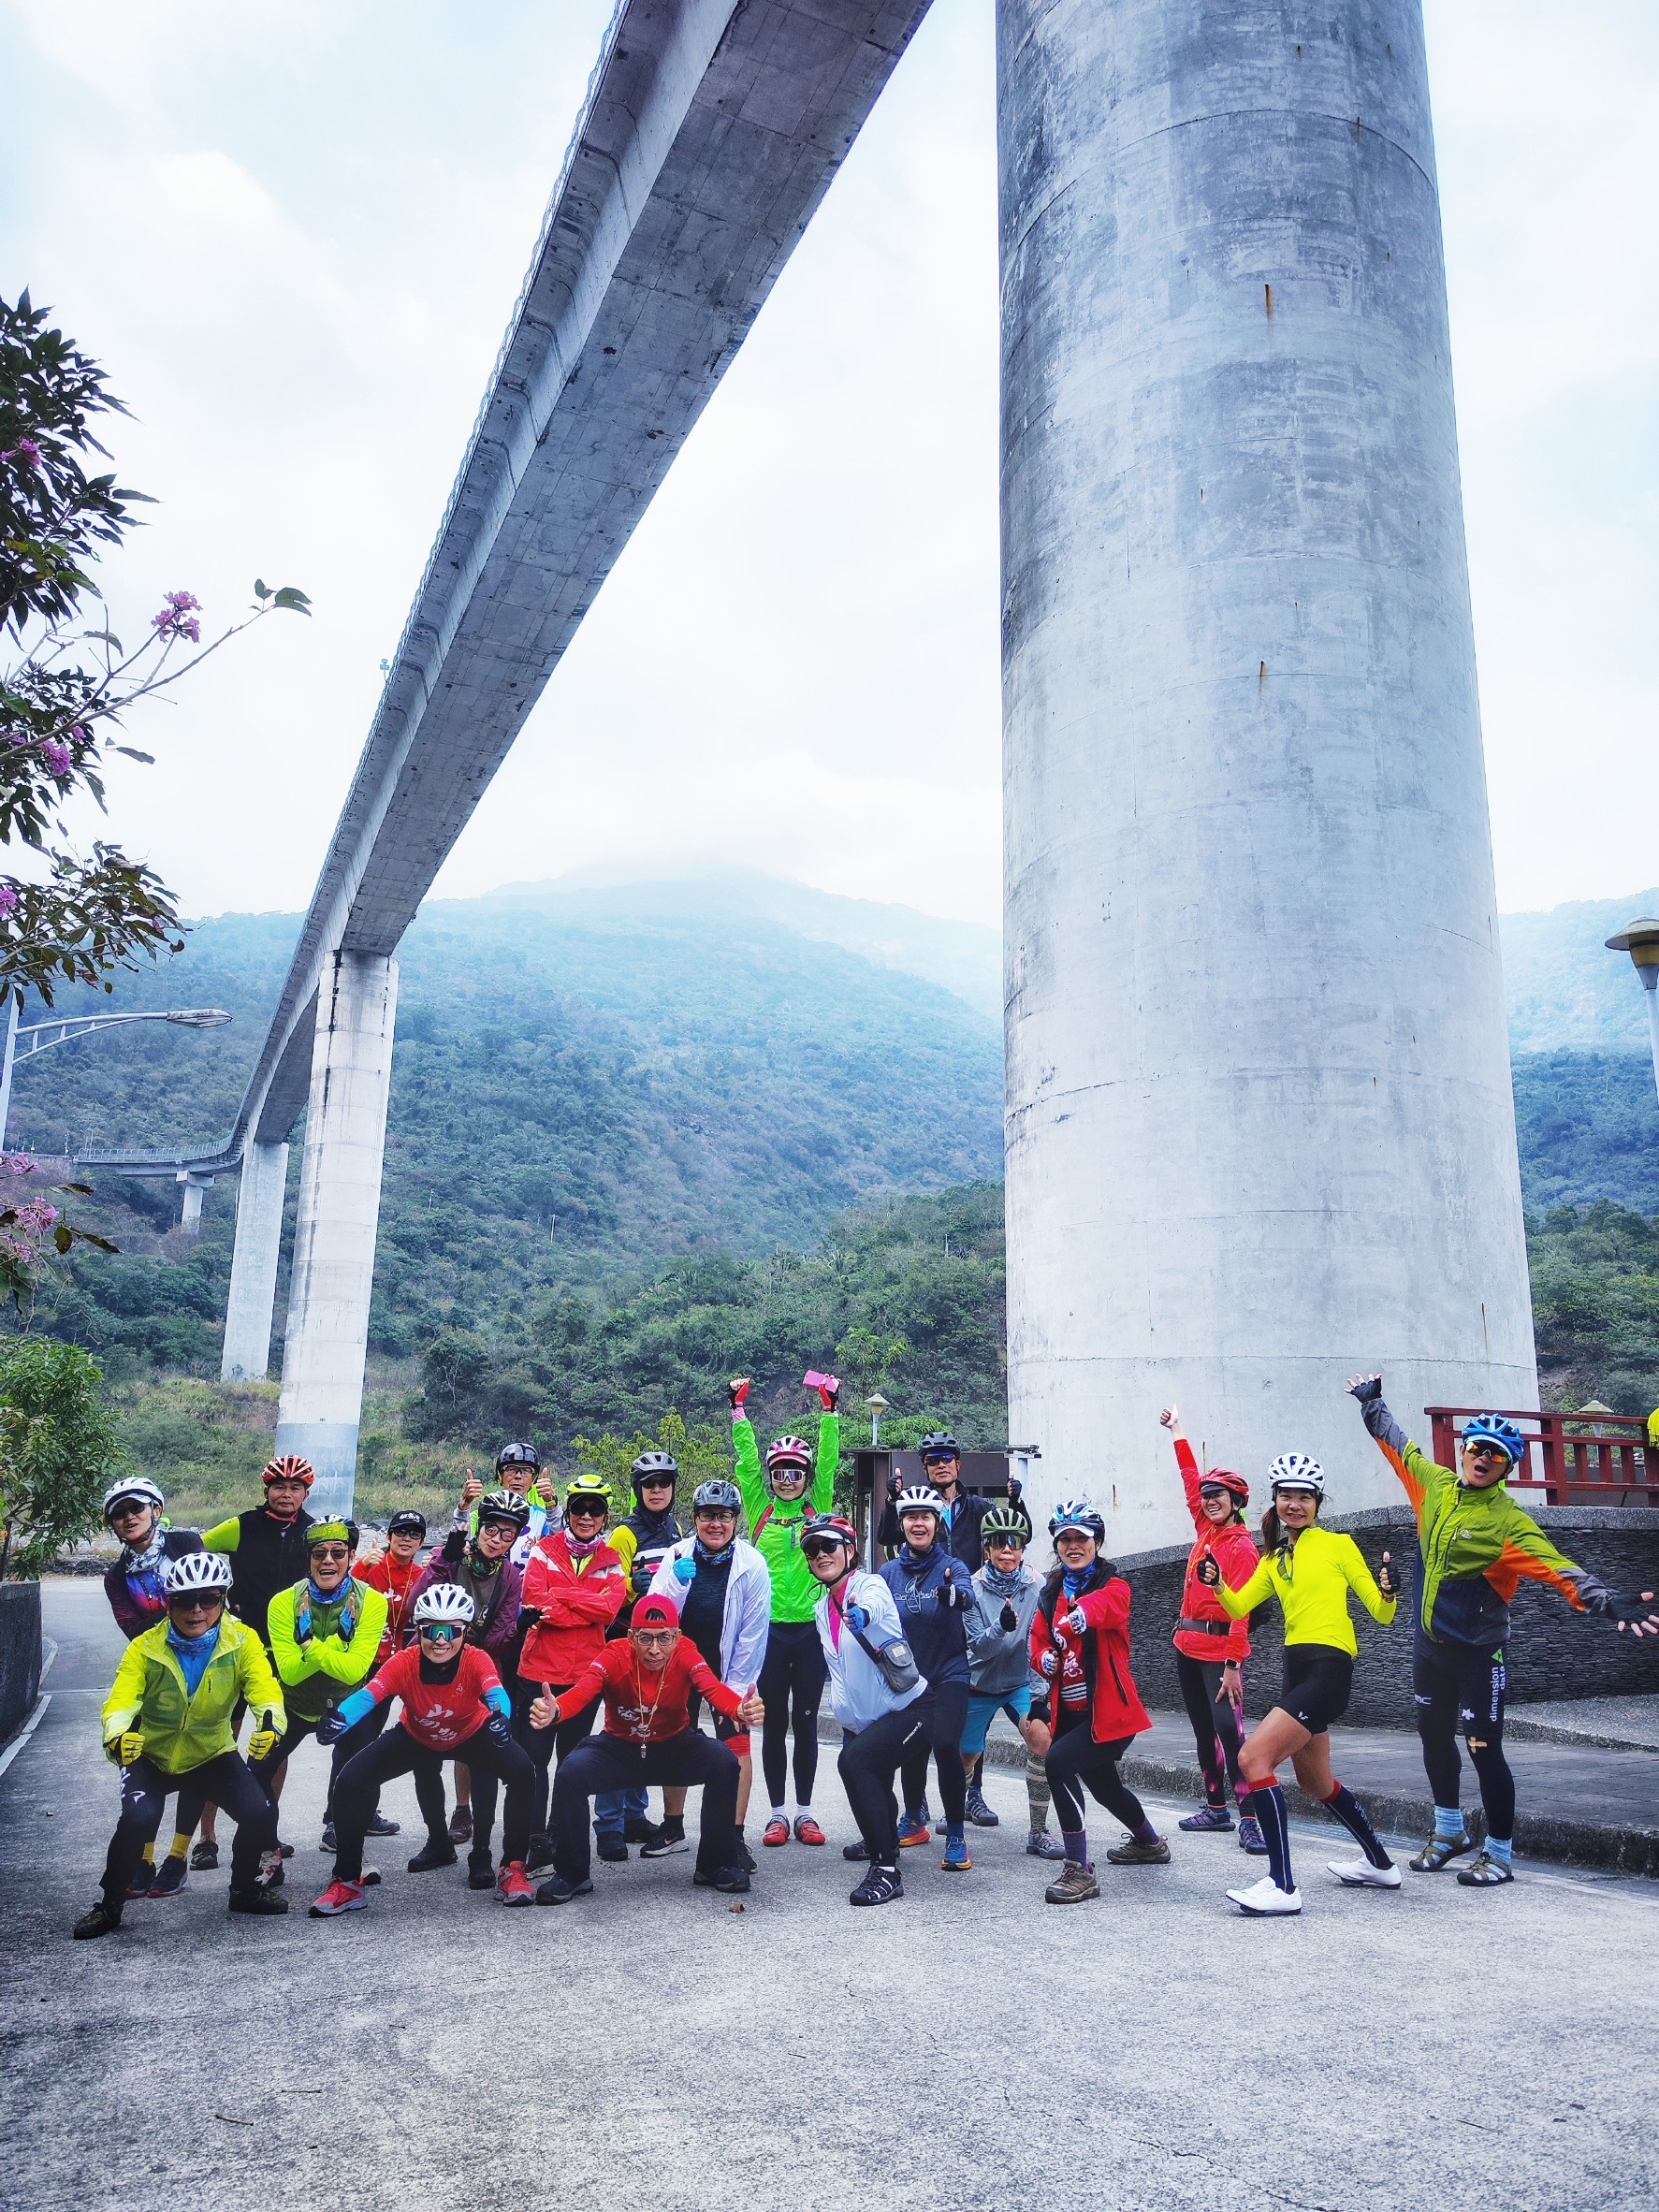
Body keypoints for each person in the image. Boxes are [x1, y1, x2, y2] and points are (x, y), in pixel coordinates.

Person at [1348, 1375, 1659, 1887]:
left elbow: (1558, 1568)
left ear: (1507, 1467)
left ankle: (1499, 1852)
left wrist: (1606, 1600)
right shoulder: (1434, 1486)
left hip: (1479, 1652)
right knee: (1433, 1738)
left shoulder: (1509, 1522)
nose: (1484, 1457)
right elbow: (1398, 1445)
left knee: (1483, 1748)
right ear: (1463, 1451)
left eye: (1497, 1454)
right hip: (1430, 1646)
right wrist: (1372, 1403)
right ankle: (1449, 1831)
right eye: (1478, 1448)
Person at [1199, 1453, 1402, 1915]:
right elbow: (1239, 1607)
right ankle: (1381, 1864)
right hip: (1296, 1669)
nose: (1295, 1504)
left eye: (1304, 1497)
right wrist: (1217, 1583)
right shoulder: (1275, 1558)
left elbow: (1382, 1612)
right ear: (1274, 1500)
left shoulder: (1338, 1545)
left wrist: (1388, 1591)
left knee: (1252, 1757)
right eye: (1286, 1496)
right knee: (1315, 1782)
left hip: (1329, 1669)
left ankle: (1282, 1885)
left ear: (1317, 1503)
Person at [74, 1551, 288, 1938]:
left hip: (210, 1752)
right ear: (168, 1603)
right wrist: (117, 1736)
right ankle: (109, 1905)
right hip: (152, 1754)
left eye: (208, 1599)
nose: (197, 1610)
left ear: (223, 1600)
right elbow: (121, 1700)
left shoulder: (243, 1641)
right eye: (185, 1600)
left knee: (260, 1812)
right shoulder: (145, 1646)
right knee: (137, 1819)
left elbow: (265, 1689)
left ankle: (244, 1890)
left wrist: (271, 1724)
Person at [310, 1583, 539, 1914]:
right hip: (416, 1736)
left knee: (523, 1771)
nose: (441, 1640)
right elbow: (370, 1694)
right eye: (431, 1630)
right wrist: (339, 1719)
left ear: (465, 1632)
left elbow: (494, 1691)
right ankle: (347, 1881)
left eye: (451, 1630)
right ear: (418, 1631)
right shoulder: (404, 1661)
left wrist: (501, 1716)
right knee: (350, 1781)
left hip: (471, 1733)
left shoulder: (476, 1658)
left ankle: (513, 1867)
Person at [529, 1595, 764, 1901]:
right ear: (631, 1637)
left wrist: (739, 1709)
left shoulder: (686, 1652)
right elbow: (583, 1691)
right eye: (645, 1638)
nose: (655, 1649)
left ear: (677, 1637)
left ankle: (716, 1864)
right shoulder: (613, 1654)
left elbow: (712, 1687)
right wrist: (556, 1710)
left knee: (725, 1762)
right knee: (571, 1772)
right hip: (619, 1748)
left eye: (664, 1638)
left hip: (674, 1746)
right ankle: (572, 1875)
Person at [1030, 1501, 1165, 1903]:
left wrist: (1083, 1613)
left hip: (1110, 1714)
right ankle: (1150, 1843)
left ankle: (1078, 1869)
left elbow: (1110, 1607)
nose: (1073, 1546)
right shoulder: (1050, 1592)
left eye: (1082, 1538)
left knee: (1058, 1763)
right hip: (1070, 1714)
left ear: (1098, 1543)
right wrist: (1043, 1658)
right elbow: (1037, 1640)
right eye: (1065, 1539)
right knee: (1105, 1788)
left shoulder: (1114, 1585)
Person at [730, 1372, 838, 1848]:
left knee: (807, 1723)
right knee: (773, 1725)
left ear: (806, 1478)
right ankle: (776, 1815)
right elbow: (746, 1465)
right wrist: (738, 1413)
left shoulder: (819, 1509)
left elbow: (830, 1462)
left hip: (811, 1633)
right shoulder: (760, 1510)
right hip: (770, 1633)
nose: (787, 1479)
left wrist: (830, 1412)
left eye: (796, 1472)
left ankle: (806, 1813)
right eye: (780, 1473)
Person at [195, 1452, 316, 1872]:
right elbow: (194, 1554)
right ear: (267, 1490)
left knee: (274, 1743)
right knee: (220, 1741)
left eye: (296, 1487)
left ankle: (266, 1830)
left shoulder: (312, 1532)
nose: (287, 1493)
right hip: (235, 1649)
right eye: (279, 1486)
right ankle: (206, 1837)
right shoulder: (241, 1526)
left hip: (285, 1654)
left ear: (305, 1493)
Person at [803, 1512, 928, 1905]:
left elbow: (873, 1605)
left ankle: (886, 1870)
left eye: (828, 1546)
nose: (820, 1555)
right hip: (864, 1720)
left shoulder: (869, 1586)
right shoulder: (822, 1609)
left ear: (849, 1550)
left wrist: (862, 1615)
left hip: (910, 1709)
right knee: (866, 1774)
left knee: (855, 1763)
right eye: (812, 1550)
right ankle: (882, 1839)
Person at [647, 1477, 770, 1865]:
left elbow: (753, 1631)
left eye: (723, 1516)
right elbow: (654, 1612)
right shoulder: (677, 1554)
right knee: (675, 1740)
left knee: (736, 1745)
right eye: (706, 1515)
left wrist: (733, 1692)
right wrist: (675, 1582)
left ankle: (734, 1836)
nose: (715, 1524)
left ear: (735, 1520)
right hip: (679, 1666)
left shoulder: (752, 1563)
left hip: (728, 1666)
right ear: (695, 1518)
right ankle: (672, 1826)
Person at [411, 1488, 530, 1884]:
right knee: (424, 1755)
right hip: (430, 1663)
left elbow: (497, 1637)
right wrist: (443, 1559)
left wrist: (516, 1628)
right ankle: (438, 1841)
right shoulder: (453, 1558)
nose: (497, 1539)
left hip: (477, 1669)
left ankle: (481, 1852)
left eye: (508, 1534)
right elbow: (415, 1605)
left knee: (484, 1760)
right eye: (491, 1529)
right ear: (479, 1527)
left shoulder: (510, 1576)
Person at [1158, 1405, 1264, 1851]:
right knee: (1203, 1732)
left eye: (1218, 1495)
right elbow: (1189, 1480)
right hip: (1186, 1646)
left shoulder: (1242, 1548)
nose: (1208, 1500)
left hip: (1220, 1655)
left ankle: (1251, 1817)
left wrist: (1233, 1666)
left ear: (1237, 1502)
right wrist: (1178, 1431)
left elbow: (1242, 1613)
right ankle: (1216, 1807)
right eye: (1207, 1495)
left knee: (1231, 1735)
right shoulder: (1205, 1528)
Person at [259, 1519, 393, 1864]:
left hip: (347, 1701)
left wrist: (307, 1645)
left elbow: (354, 1670)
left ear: (351, 1556)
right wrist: (336, 1642)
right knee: (257, 1772)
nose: (328, 1560)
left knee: (358, 1772)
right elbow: (290, 1674)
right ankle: (265, 1840)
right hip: (294, 1702)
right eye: (319, 1553)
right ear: (309, 1558)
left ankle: (340, 1830)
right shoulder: (282, 1602)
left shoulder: (373, 1602)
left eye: (338, 1552)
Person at [98, 1477, 205, 1898]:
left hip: (203, 1663)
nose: (129, 1517)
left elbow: (209, 1596)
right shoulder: (116, 1575)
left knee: (197, 1759)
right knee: (149, 1760)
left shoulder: (186, 1543)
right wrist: (181, 1617)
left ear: (155, 1510)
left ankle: (177, 1858)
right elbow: (132, 1629)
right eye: (119, 1513)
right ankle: (143, 1860)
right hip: (154, 1671)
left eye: (136, 1508)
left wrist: (182, 1618)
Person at [516, 1472, 626, 1870]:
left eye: (596, 1510)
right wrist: (582, 1603)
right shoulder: (543, 1550)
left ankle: (560, 1832)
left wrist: (561, 1594)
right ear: (568, 1511)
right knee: (533, 1760)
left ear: (605, 1517)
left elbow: (609, 1611)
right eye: (580, 1508)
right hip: (538, 1672)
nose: (587, 1516)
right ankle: (534, 1838)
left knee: (570, 1761)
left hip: (584, 1676)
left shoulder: (612, 1561)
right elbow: (536, 1603)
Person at [879, 1485, 975, 1870]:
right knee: (911, 1748)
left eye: (926, 1517)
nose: (918, 1524)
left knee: (946, 1744)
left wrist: (954, 1595)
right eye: (911, 1517)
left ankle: (955, 1834)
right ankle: (914, 1819)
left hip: (950, 1673)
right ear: (902, 1524)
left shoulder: (952, 1566)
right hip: (908, 1679)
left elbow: (966, 1594)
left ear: (937, 1524)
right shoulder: (888, 1573)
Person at [593, 1448, 683, 1860]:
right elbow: (607, 1588)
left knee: (647, 1728)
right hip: (626, 1640)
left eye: (664, 1483)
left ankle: (634, 1815)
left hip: (660, 1646)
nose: (657, 1490)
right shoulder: (624, 1534)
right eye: (649, 1484)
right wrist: (633, 1584)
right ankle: (609, 1824)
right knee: (621, 1730)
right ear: (638, 1489)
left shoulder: (675, 1528)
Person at [961, 1502, 1063, 1855]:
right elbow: (980, 1647)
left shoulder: (1038, 1586)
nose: (1007, 1550)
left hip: (1021, 1681)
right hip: (979, 1683)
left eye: (1014, 1542)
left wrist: (1040, 1691)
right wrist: (1000, 1628)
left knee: (1042, 1740)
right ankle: (956, 1815)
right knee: (967, 1757)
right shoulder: (972, 1590)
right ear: (986, 1548)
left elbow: (1043, 1640)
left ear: (1022, 1548)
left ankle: (1038, 1831)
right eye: (998, 1542)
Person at [876, 1431, 1024, 1574]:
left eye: (947, 1458)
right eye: (933, 1461)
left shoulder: (978, 1507)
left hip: (969, 1585)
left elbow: (1019, 1534)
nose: (941, 1465)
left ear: (958, 1465)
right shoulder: (919, 1506)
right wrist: (892, 1501)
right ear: (925, 1469)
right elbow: (886, 1537)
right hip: (928, 1585)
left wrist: (1016, 1502)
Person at [453, 1440, 558, 1564]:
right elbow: (459, 1547)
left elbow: (560, 1546)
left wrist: (551, 1504)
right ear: (500, 1476)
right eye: (511, 1469)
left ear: (533, 1479)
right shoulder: (480, 1515)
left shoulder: (542, 1518)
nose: (518, 1476)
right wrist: (464, 1505)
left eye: (525, 1471)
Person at [352, 1507, 429, 1659]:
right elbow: (343, 1595)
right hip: (361, 1652)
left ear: (421, 1543)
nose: (407, 1539)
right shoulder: (370, 1565)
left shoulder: (421, 1575)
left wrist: (435, 1571)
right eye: (400, 1532)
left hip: (395, 1654)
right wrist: (362, 1566)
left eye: (414, 1534)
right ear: (388, 1537)